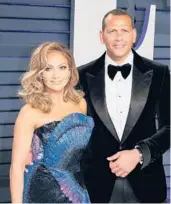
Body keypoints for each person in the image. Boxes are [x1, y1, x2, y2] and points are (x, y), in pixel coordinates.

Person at [78, 9, 170, 203]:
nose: (118, 37)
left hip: (147, 185)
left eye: (124, 30)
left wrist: (139, 154)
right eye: (112, 31)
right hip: (96, 187)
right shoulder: (81, 75)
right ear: (101, 36)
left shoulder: (159, 73)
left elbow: (169, 127)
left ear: (134, 35)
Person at [10, 42, 94, 203]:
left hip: (76, 191)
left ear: (70, 70)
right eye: (48, 69)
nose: (56, 76)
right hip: (41, 193)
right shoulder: (29, 112)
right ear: (40, 74)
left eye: (62, 67)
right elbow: (16, 167)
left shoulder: (80, 103)